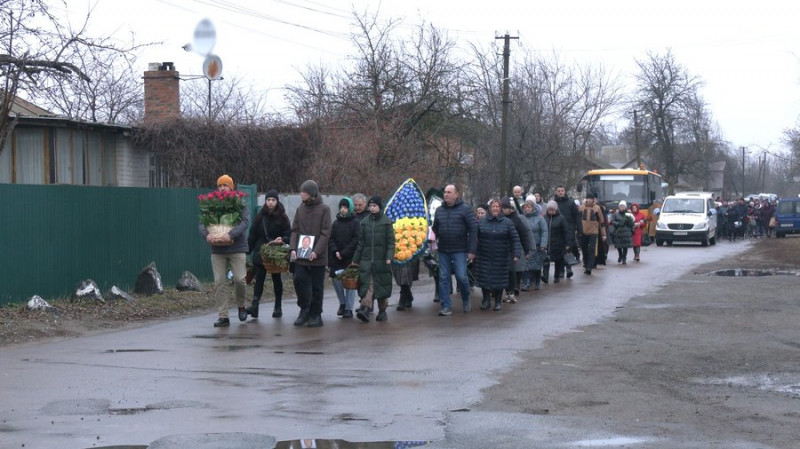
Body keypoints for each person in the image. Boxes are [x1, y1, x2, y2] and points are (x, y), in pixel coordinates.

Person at [199, 174, 250, 328]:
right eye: (220, 185)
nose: (222, 188)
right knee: (219, 283)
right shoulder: (211, 204)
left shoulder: (239, 203)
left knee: (240, 280)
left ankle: (241, 306)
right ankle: (223, 316)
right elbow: (202, 223)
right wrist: (207, 235)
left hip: (237, 247)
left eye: (225, 185)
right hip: (217, 249)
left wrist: (230, 234)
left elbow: (244, 221)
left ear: (231, 187)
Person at [290, 180, 332, 328]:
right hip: (301, 255)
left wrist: (316, 251)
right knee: (299, 279)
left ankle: (316, 314)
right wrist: (293, 249)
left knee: (316, 286)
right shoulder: (300, 209)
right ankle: (304, 309)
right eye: (301, 191)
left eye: (304, 192)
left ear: (312, 194)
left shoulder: (324, 209)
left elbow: (326, 233)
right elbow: (294, 230)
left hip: (317, 256)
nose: (301, 194)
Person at [431, 184, 478, 316]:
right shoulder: (439, 210)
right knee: (443, 277)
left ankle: (466, 298)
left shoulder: (465, 209)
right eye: (445, 192)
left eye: (449, 192)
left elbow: (473, 231)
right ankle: (446, 306)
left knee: (461, 276)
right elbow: (435, 229)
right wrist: (430, 236)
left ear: (456, 194)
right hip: (443, 250)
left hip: (460, 250)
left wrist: (472, 251)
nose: (446, 194)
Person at [247, 189, 291, 319]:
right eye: (268, 200)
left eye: (273, 200)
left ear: (277, 202)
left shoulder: (283, 217)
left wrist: (282, 239)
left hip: (275, 253)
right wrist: (247, 250)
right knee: (259, 278)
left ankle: (278, 306)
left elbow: (289, 234)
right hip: (261, 251)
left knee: (276, 279)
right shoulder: (260, 216)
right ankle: (255, 306)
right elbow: (253, 234)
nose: (270, 203)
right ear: (265, 201)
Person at [353, 196, 395, 323]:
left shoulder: (386, 222)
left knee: (381, 286)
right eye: (370, 206)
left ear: (379, 207)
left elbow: (391, 243)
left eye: (374, 206)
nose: (372, 208)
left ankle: (382, 311)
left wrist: (389, 256)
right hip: (366, 261)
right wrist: (355, 259)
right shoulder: (365, 222)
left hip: (381, 261)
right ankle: (365, 308)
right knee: (368, 285)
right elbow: (360, 243)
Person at [476, 198, 521, 311]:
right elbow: (474, 237)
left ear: (500, 209)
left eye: (497, 207)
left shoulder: (507, 222)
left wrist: (517, 253)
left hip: (501, 256)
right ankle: (486, 300)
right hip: (484, 255)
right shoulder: (481, 222)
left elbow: (515, 239)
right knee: (484, 278)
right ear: (489, 209)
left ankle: (497, 301)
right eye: (493, 207)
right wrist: (472, 252)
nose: (495, 208)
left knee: (500, 279)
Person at [329, 197, 360, 319]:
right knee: (336, 279)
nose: (343, 210)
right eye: (341, 207)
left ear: (350, 209)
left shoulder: (355, 223)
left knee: (350, 283)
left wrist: (345, 252)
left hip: (349, 257)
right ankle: (342, 303)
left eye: (345, 208)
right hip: (337, 257)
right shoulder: (336, 223)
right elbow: (331, 239)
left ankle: (348, 308)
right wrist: (335, 251)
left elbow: (356, 239)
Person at [501, 197, 533, 302]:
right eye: (502, 208)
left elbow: (524, 235)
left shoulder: (517, 219)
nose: (503, 210)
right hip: (500, 248)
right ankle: (505, 291)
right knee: (503, 271)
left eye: (505, 208)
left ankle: (512, 290)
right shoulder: (499, 218)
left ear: (510, 208)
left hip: (512, 248)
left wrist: (527, 250)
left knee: (511, 269)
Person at [553, 185, 581, 279]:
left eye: (562, 190)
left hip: (569, 229)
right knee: (560, 250)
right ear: (556, 192)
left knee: (568, 249)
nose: (560, 192)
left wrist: (579, 227)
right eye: (559, 191)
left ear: (565, 192)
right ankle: (561, 270)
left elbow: (577, 215)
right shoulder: (554, 203)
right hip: (557, 230)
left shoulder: (571, 202)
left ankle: (569, 268)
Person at [521, 199, 548, 290]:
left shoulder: (540, 218)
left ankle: (537, 282)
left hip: (537, 245)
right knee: (527, 264)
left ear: (533, 208)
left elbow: (544, 231)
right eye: (525, 207)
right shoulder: (522, 218)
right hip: (527, 246)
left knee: (537, 265)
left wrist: (543, 244)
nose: (527, 209)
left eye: (529, 207)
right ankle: (527, 283)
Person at [578, 193, 607, 275]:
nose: (589, 200)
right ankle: (586, 263)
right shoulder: (581, 208)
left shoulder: (597, 208)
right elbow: (577, 220)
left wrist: (604, 234)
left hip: (593, 232)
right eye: (588, 198)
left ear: (593, 199)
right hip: (583, 232)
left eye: (591, 198)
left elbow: (602, 222)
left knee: (592, 249)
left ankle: (589, 267)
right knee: (584, 249)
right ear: (586, 199)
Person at [543, 201, 568, 283]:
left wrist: (567, 243)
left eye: (553, 210)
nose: (551, 211)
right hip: (547, 243)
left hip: (558, 243)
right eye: (549, 210)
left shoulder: (561, 218)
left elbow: (565, 231)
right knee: (546, 260)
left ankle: (556, 276)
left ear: (556, 210)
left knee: (558, 260)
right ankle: (545, 276)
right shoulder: (544, 218)